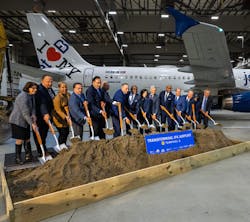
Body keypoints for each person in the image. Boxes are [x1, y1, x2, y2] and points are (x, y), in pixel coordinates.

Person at [9, 82, 37, 164]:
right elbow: (25, 112)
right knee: (20, 139)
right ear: (28, 88)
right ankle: (17, 158)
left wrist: (34, 115)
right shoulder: (23, 96)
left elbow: (33, 107)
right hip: (18, 120)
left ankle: (29, 155)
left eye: (36, 88)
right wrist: (32, 124)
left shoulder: (31, 95)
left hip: (26, 120)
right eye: (33, 88)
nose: (35, 90)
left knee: (27, 138)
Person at [33, 75, 55, 159]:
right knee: (40, 134)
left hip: (48, 115)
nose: (50, 83)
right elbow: (42, 103)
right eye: (48, 81)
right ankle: (41, 151)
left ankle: (44, 149)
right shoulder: (39, 90)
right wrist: (45, 113)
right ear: (42, 80)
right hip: (40, 116)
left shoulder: (49, 89)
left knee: (44, 134)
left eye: (51, 81)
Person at [52, 82, 70, 147]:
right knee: (63, 133)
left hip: (66, 118)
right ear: (59, 88)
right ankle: (60, 146)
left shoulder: (68, 95)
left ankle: (63, 145)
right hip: (59, 119)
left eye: (65, 87)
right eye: (62, 87)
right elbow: (58, 110)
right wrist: (66, 117)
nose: (64, 89)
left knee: (66, 132)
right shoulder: (57, 98)